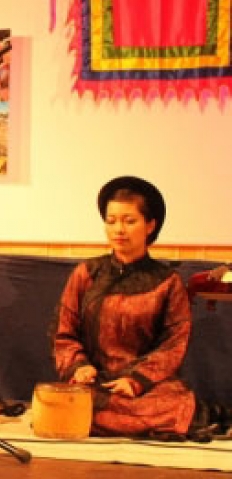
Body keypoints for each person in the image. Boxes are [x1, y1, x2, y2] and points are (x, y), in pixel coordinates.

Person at [53, 176, 228, 441]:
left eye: (129, 220)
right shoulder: (86, 273)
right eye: (111, 221)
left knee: (166, 401)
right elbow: (63, 333)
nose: (118, 229)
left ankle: (182, 416)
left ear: (150, 225)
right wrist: (79, 367)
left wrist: (135, 381)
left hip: (147, 385)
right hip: (95, 383)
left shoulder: (167, 281)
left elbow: (173, 344)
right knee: (73, 404)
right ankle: (181, 421)